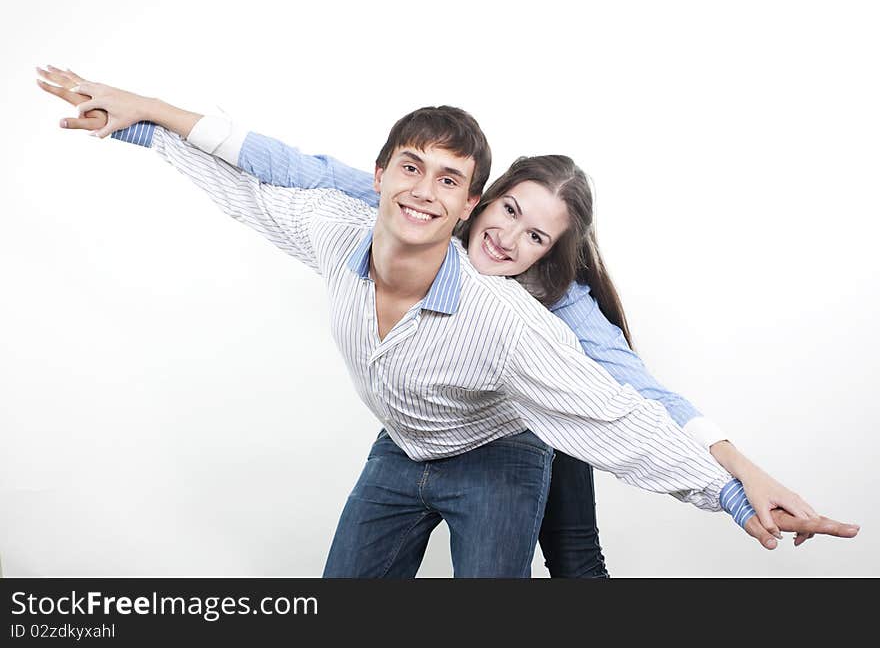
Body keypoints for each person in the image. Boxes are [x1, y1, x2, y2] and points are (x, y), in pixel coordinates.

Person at [36, 68, 860, 578]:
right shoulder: (375, 210)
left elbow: (627, 401)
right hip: (416, 438)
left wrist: (735, 476)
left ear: (550, 249)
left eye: (535, 236)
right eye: (506, 211)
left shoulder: (543, 307)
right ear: (481, 200)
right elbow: (275, 175)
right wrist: (143, 118)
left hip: (519, 434)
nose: (506, 237)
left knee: (575, 553)